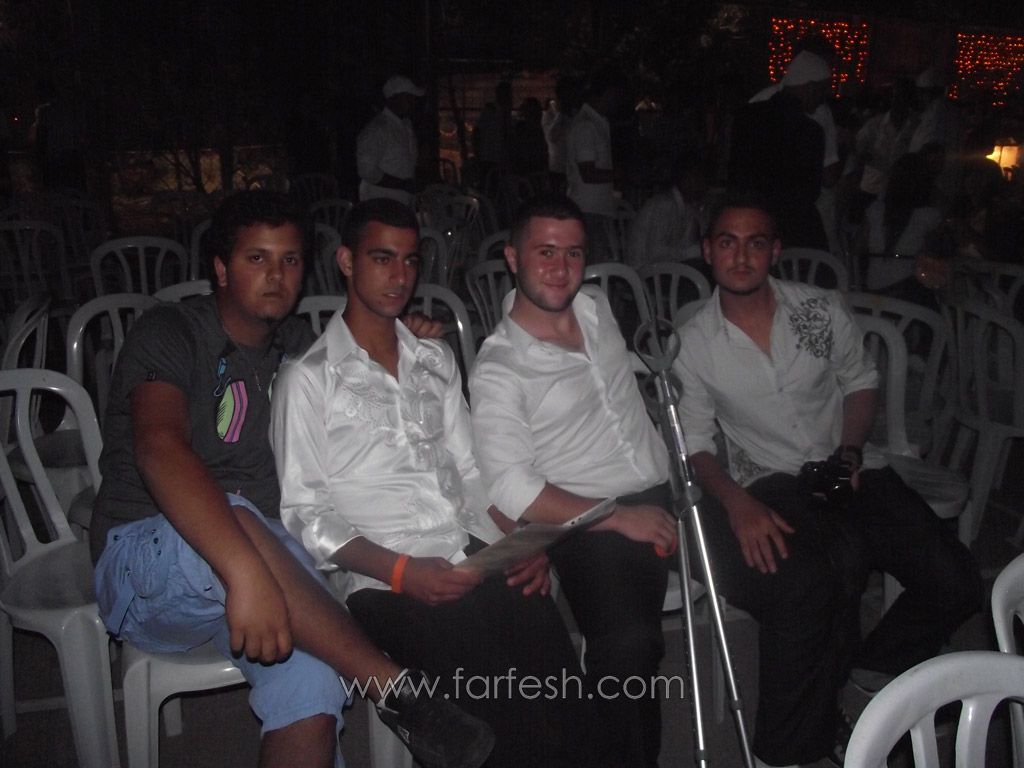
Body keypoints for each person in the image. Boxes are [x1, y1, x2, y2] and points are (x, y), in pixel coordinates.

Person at [90, 190, 495, 768]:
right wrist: (244, 570)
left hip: (267, 573)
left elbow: (360, 356)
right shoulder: (171, 330)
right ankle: (397, 692)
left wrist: (408, 332)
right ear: (221, 269)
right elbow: (159, 449)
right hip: (152, 558)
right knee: (236, 512)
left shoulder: (299, 352)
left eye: (289, 260)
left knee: (314, 688)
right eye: (257, 258)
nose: (276, 275)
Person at [271, 197, 600, 768]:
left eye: (409, 260)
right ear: (346, 261)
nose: (400, 276)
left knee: (558, 675)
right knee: (497, 704)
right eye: (382, 258)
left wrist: (519, 541)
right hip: (382, 578)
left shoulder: (435, 360)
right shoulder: (308, 379)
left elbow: (471, 472)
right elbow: (306, 513)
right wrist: (403, 572)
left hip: (467, 550)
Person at [671, 191, 982, 768]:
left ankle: (869, 672)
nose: (741, 256)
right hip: (772, 479)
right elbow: (694, 441)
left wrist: (851, 452)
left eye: (756, 243)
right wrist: (736, 503)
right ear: (708, 251)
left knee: (956, 579)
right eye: (728, 243)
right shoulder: (692, 343)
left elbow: (859, 381)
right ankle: (799, 737)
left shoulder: (817, 308)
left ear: (775, 251)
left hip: (849, 464)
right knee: (833, 570)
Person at [469, 194, 676, 767]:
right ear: (513, 258)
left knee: (796, 562)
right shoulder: (500, 367)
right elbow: (511, 487)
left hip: (669, 488)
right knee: (628, 646)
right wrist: (617, 516)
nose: (561, 268)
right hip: (586, 514)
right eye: (545, 252)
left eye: (574, 253)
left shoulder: (596, 307)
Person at [730, 51, 830, 250]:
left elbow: (736, 173)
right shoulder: (810, 131)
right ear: (810, 88)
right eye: (822, 90)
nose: (822, 99)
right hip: (793, 231)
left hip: (748, 222)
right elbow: (810, 191)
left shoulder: (746, 117)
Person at [565, 73, 623, 262]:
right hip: (588, 207)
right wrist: (619, 174)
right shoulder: (586, 126)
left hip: (596, 207)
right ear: (603, 94)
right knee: (593, 264)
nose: (616, 102)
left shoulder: (597, 123)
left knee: (597, 261)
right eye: (613, 96)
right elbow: (588, 173)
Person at [356, 75, 423, 207]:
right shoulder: (377, 129)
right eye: (408, 97)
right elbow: (366, 170)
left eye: (413, 98)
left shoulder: (406, 125)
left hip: (403, 202)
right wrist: (403, 184)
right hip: (380, 203)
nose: (413, 101)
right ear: (394, 98)